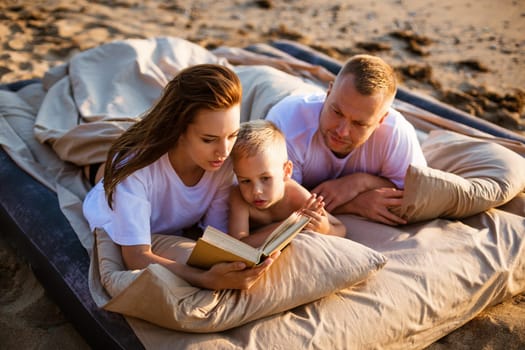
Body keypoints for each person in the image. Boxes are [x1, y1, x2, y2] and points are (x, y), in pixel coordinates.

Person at [82, 64, 279, 290]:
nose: (224, 151)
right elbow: (136, 256)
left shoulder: (223, 164)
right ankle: (93, 167)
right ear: (179, 130)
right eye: (209, 139)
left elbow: (218, 236)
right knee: (106, 170)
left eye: (232, 135)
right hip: (116, 221)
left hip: (169, 228)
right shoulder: (137, 171)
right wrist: (205, 279)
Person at [266, 54, 427, 226]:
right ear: (328, 94)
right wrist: (354, 205)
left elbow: (417, 194)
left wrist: (360, 182)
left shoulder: (396, 133)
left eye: (359, 123)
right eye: (337, 112)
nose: (342, 132)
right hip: (268, 94)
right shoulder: (286, 122)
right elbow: (277, 204)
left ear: (381, 120)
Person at [228, 119, 346, 248]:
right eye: (245, 181)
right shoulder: (238, 196)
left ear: (287, 171)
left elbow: (340, 228)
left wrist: (326, 229)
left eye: (265, 178)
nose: (256, 191)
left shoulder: (296, 196)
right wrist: (290, 225)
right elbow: (237, 245)